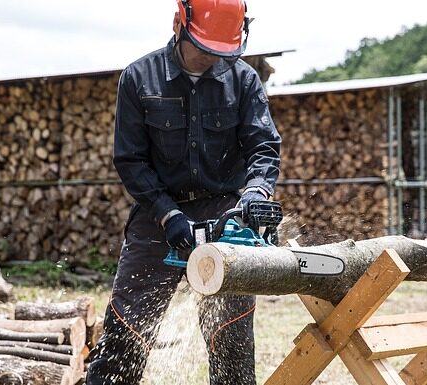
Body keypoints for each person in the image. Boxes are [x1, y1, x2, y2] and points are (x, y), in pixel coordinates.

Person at [86, 0, 281, 384]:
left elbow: (263, 147)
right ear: (179, 24)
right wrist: (166, 213)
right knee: (126, 334)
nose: (212, 58)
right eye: (205, 48)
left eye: (220, 51)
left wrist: (256, 194)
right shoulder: (140, 78)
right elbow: (131, 160)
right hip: (158, 215)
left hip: (226, 213)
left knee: (231, 342)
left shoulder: (242, 80)